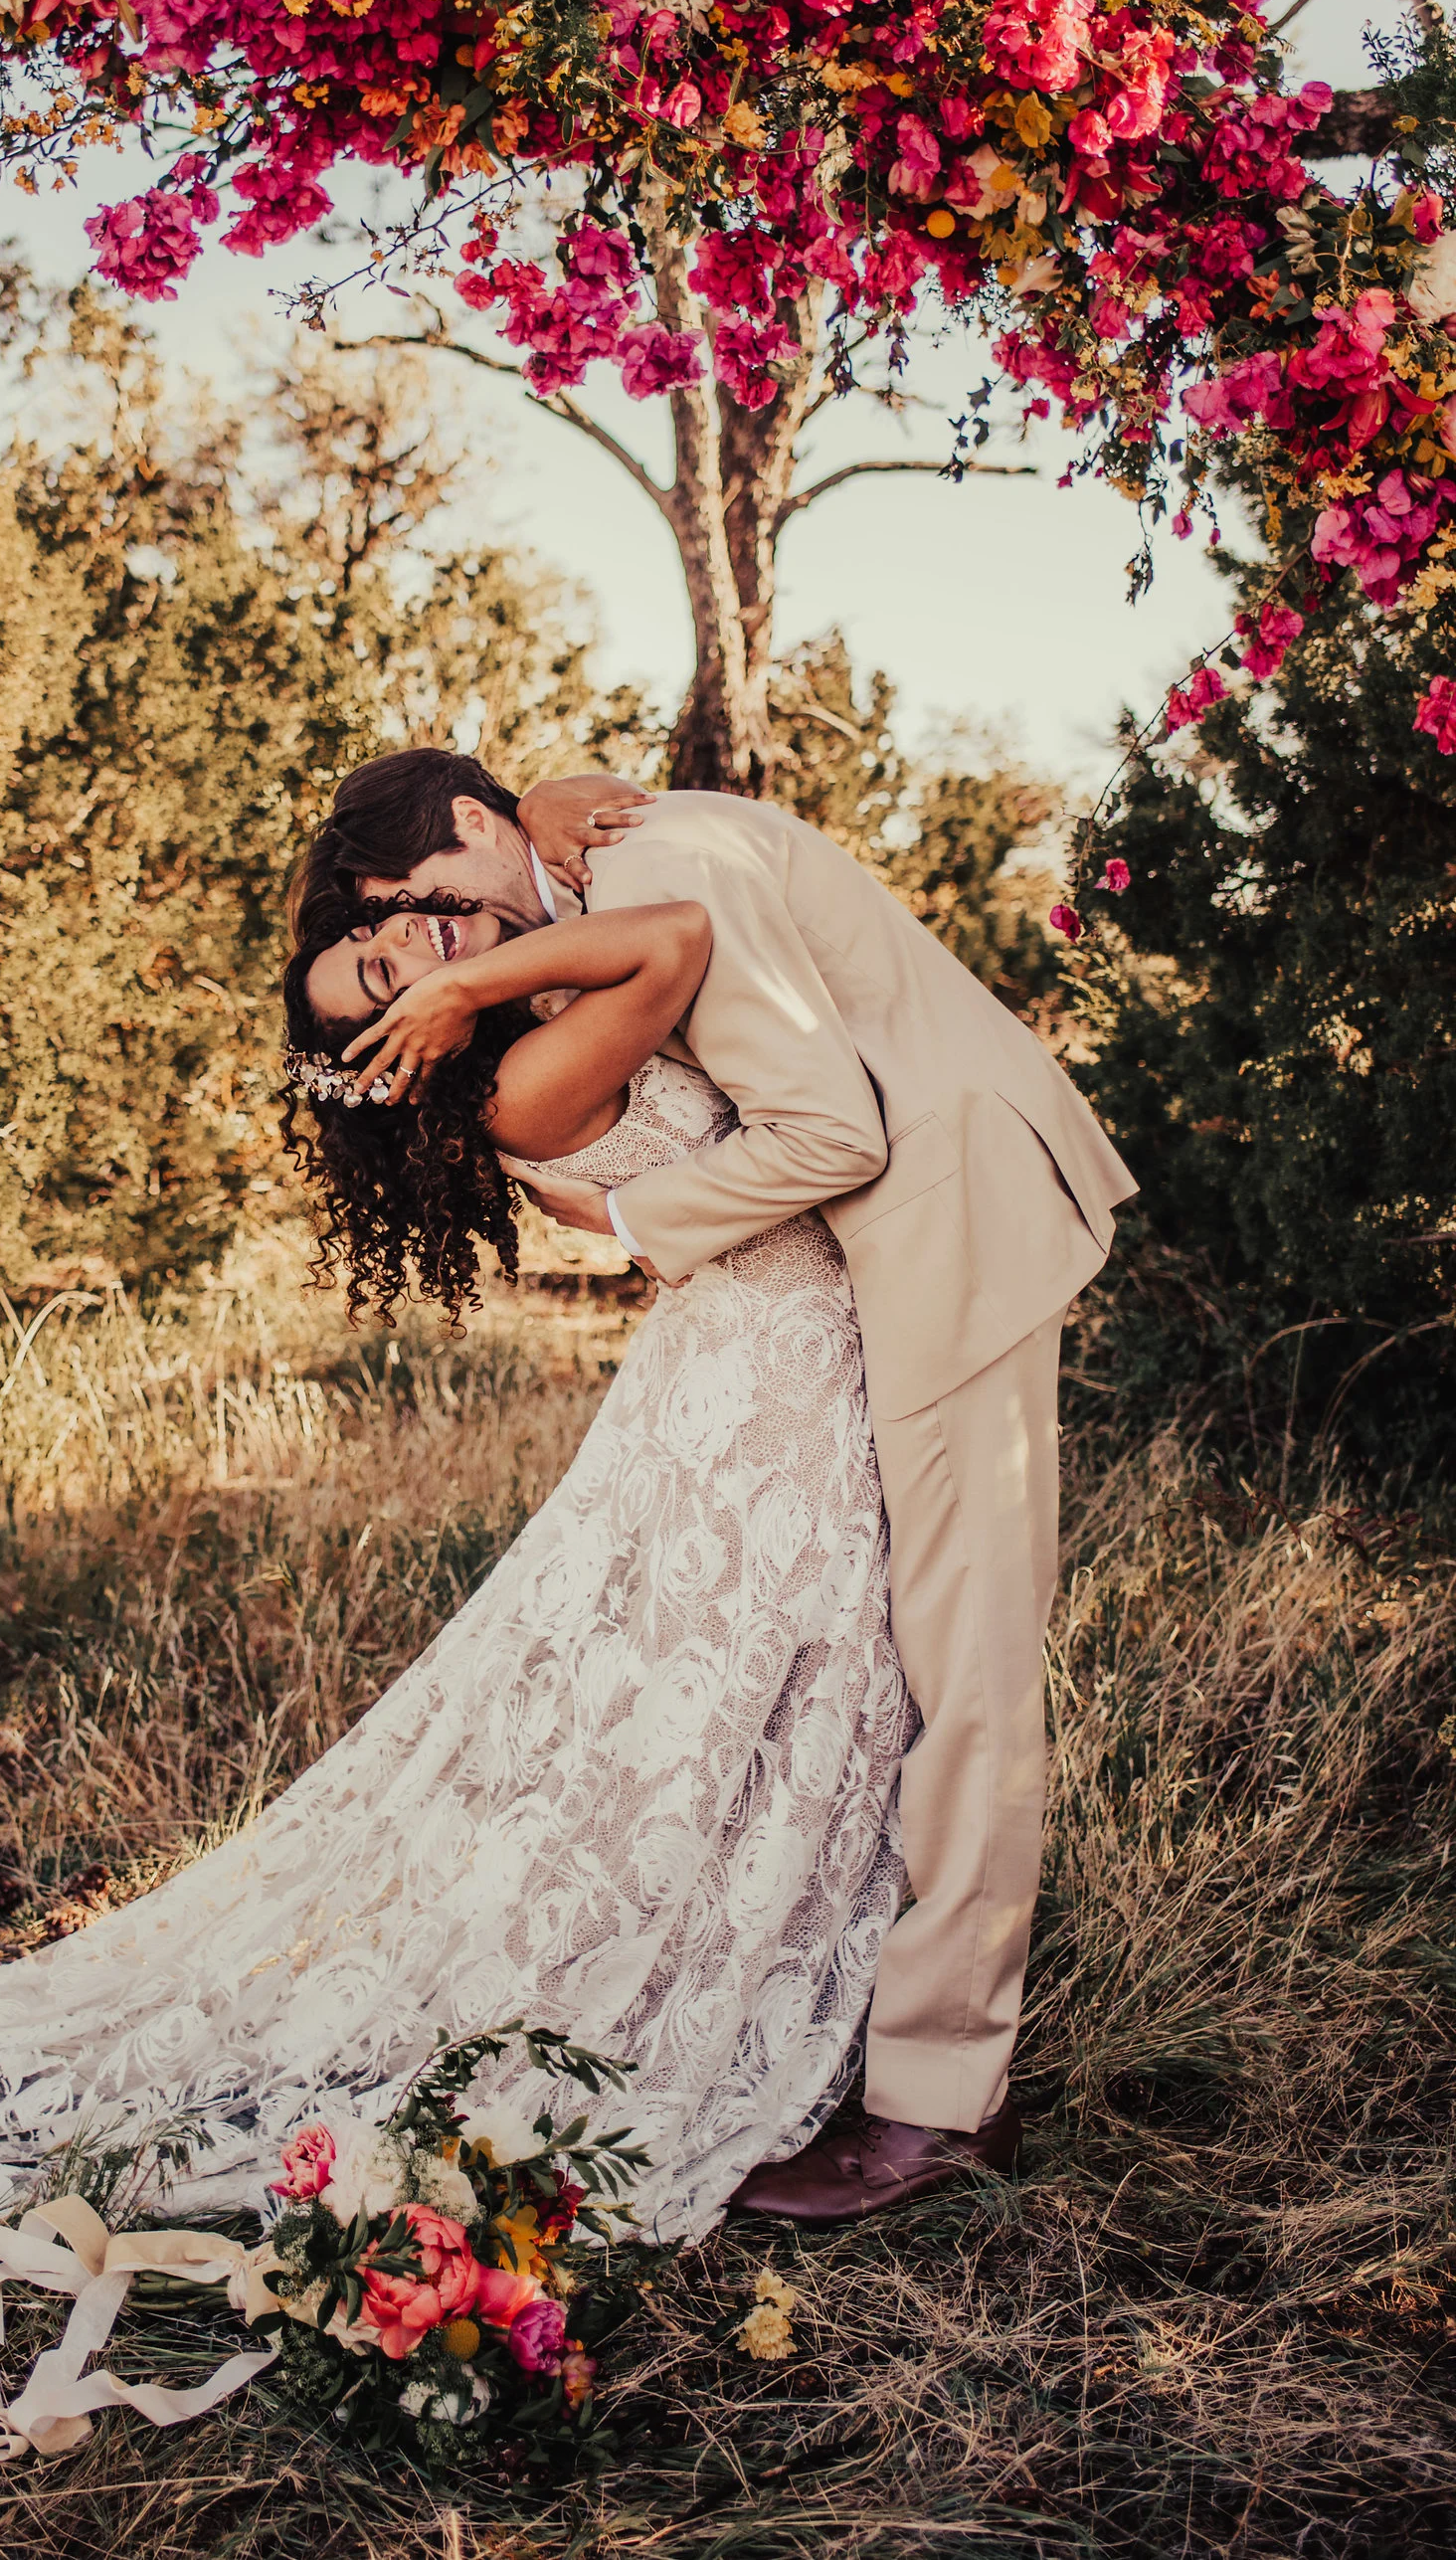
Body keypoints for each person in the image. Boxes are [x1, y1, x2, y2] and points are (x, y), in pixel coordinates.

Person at [0, 886, 909, 2265]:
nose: (413, 956)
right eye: (384, 976)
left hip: (754, 1374)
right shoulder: (524, 1082)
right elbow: (679, 940)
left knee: (732, 1692)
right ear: (401, 1042)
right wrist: (477, 984)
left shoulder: (530, 1025)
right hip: (770, 1380)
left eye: (393, 935)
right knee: (758, 1673)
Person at [292, 747, 1136, 2224]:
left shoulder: (649, 865)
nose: (430, 948)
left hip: (947, 1220)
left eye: (423, 902)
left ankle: (943, 2098)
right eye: (386, 939)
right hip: (859, 1266)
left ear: (486, 829)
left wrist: (631, 1218)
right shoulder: (581, 891)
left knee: (969, 1668)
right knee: (890, 1668)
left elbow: (834, 1133)